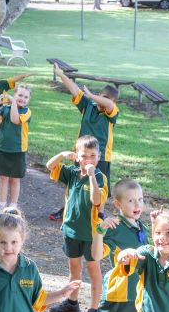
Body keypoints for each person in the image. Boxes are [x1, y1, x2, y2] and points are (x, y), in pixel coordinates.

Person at [51, 179, 148, 312]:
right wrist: (100, 231)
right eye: (131, 201)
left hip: (138, 292)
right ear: (119, 205)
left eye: (140, 199)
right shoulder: (114, 227)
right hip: (120, 291)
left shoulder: (140, 226)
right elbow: (95, 255)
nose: (137, 204)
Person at [44, 136, 107, 312]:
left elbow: (97, 200)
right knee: (74, 268)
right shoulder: (71, 173)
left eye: (93, 156)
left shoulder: (99, 178)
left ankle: (95, 310)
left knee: (93, 270)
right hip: (71, 230)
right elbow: (49, 166)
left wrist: (91, 176)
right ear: (77, 157)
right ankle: (72, 303)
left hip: (91, 234)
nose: (88, 160)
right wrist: (63, 155)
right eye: (84, 156)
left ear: (99, 157)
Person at [50, 65, 119, 221]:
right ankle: (67, 209)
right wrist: (61, 74)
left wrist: (92, 95)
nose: (104, 102)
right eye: (103, 97)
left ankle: (99, 215)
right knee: (75, 181)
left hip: (100, 157)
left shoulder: (111, 113)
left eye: (108, 100)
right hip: (80, 153)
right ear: (100, 94)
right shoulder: (88, 106)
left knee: (99, 185)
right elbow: (74, 89)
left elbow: (109, 105)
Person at [0, 85, 32, 210]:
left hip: (18, 150)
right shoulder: (5, 108)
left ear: (29, 99)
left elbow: (15, 120)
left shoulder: (26, 112)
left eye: (26, 97)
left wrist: (13, 102)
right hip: (2, 148)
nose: (22, 99)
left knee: (15, 179)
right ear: (14, 94)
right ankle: (2, 205)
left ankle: (13, 206)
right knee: (3, 178)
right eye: (19, 95)